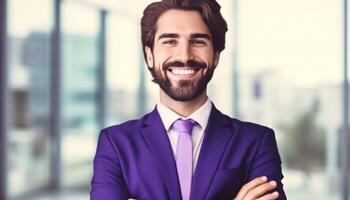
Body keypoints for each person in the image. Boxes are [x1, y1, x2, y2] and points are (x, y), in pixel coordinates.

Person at [90, 0, 287, 199]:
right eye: (169, 41)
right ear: (149, 55)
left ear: (216, 55)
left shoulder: (255, 141)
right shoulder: (116, 144)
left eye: (198, 41)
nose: (184, 55)